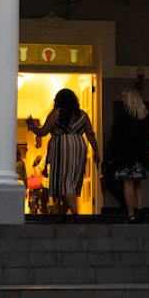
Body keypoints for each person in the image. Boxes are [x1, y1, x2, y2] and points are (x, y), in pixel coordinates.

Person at [26, 88, 99, 219]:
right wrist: (96, 151)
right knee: (72, 181)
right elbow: (90, 134)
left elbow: (43, 132)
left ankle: (75, 213)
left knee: (63, 182)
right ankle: (63, 215)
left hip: (62, 146)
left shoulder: (56, 113)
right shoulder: (82, 115)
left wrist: (31, 126)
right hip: (79, 146)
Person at [107, 87, 149, 222]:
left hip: (125, 154)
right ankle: (140, 207)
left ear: (130, 99)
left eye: (125, 98)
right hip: (140, 153)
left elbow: (116, 135)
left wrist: (112, 154)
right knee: (138, 182)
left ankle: (131, 214)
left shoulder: (123, 114)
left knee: (127, 183)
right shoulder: (146, 116)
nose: (123, 101)